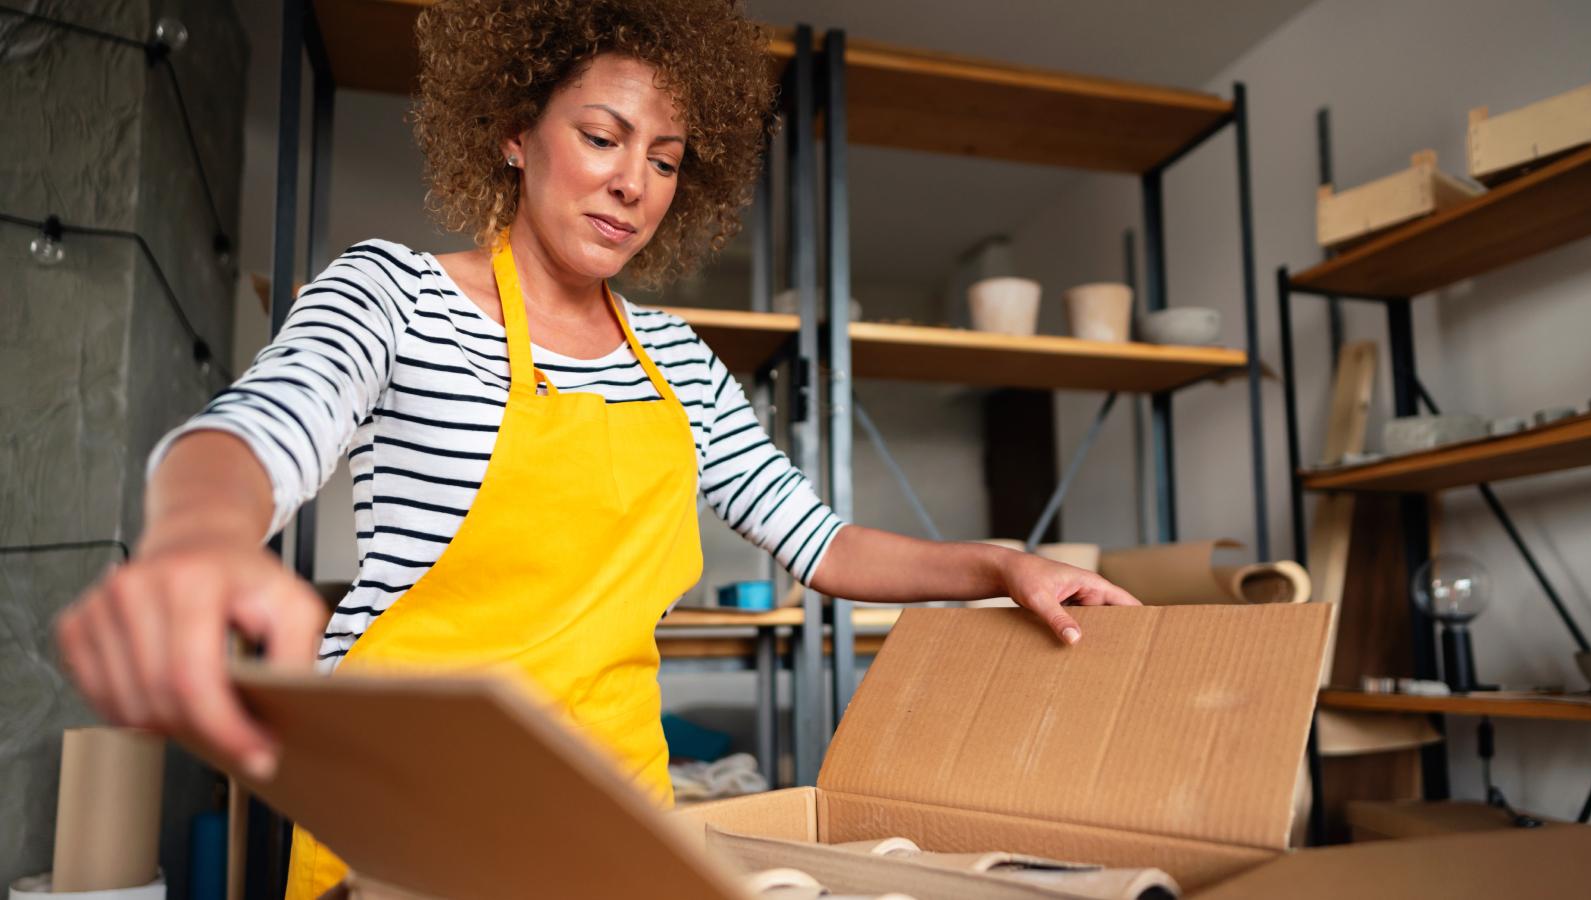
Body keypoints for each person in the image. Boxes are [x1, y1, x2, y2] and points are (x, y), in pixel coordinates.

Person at [53, 1, 1139, 897]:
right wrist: (199, 536)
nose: (634, 184)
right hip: (407, 816)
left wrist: (997, 563)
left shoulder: (677, 358)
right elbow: (260, 426)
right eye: (603, 137)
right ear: (516, 133)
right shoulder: (397, 296)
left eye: (665, 159)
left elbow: (819, 542)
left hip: (612, 817)